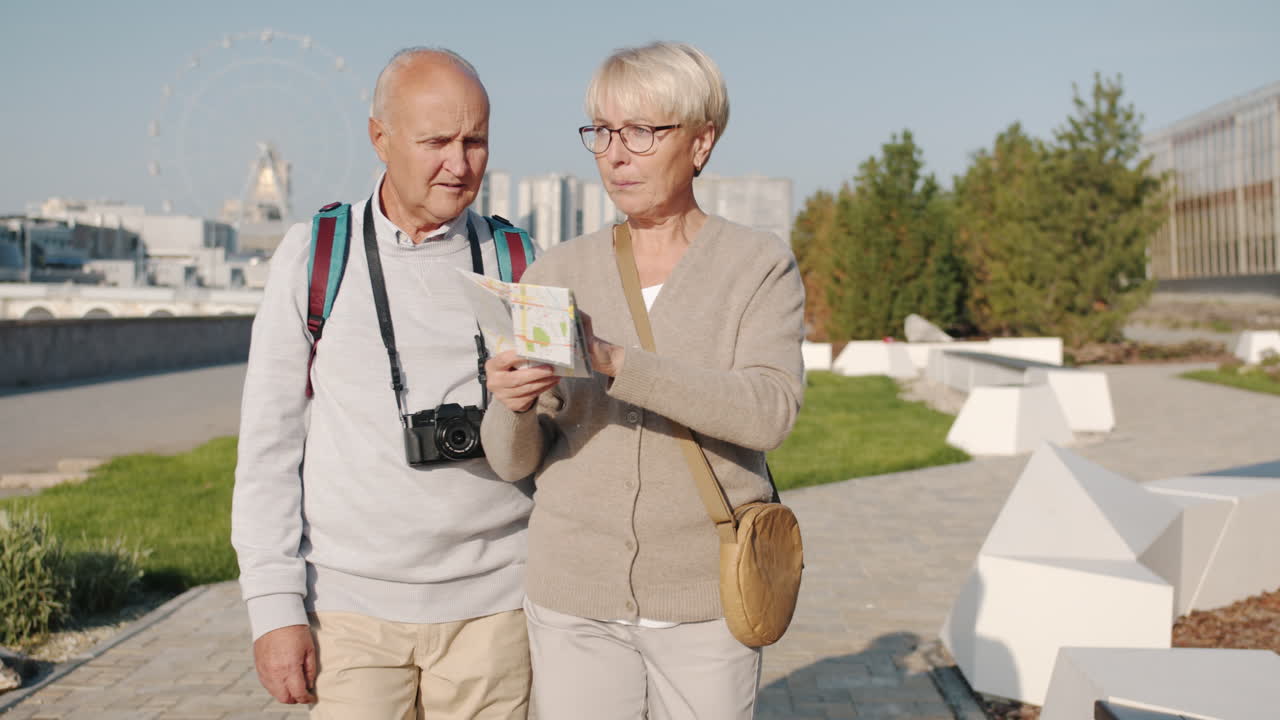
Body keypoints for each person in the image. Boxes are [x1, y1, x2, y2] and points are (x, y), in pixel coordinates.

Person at [480, 42, 805, 719]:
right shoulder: (555, 272)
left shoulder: (758, 266)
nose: (615, 155)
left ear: (701, 141)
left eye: (642, 132)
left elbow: (768, 411)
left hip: (706, 601)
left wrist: (617, 363)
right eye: (600, 132)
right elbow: (514, 459)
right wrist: (507, 406)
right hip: (574, 600)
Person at [231, 47, 532, 719]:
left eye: (475, 140)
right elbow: (267, 446)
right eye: (436, 142)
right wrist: (274, 607)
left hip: (499, 611)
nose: (459, 164)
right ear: (380, 138)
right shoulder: (316, 255)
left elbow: (562, 429)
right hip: (348, 613)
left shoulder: (519, 258)